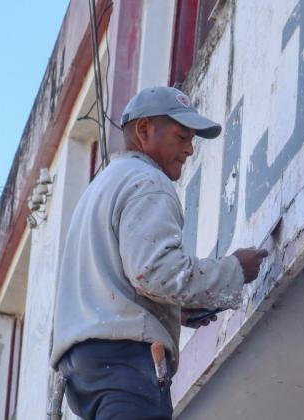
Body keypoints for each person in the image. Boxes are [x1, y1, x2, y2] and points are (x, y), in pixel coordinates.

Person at [50, 86, 268, 420]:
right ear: (144, 130)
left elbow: (118, 280)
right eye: (182, 137)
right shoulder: (147, 181)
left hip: (85, 370)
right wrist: (235, 271)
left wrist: (173, 308)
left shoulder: (103, 185)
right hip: (125, 363)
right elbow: (153, 274)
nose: (189, 150)